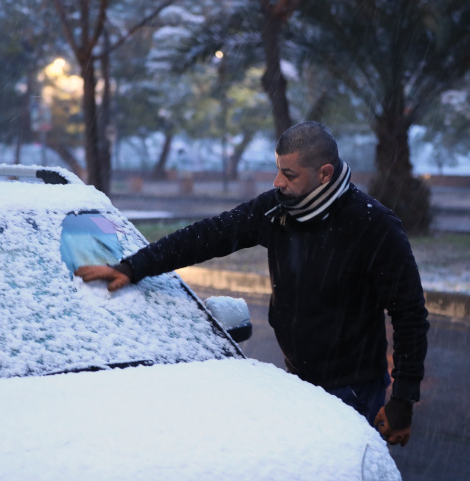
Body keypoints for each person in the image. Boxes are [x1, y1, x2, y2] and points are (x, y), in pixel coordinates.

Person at [76, 121, 429, 447]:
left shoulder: (373, 225)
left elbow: (409, 314)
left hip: (355, 390)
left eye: (288, 173)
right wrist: (134, 266)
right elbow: (209, 235)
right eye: (277, 169)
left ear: (325, 173)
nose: (277, 181)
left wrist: (403, 399)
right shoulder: (278, 210)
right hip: (299, 383)